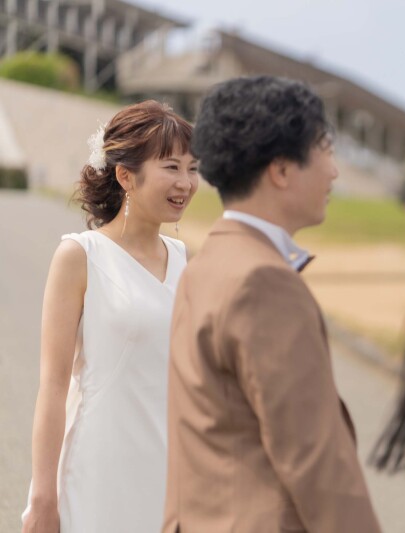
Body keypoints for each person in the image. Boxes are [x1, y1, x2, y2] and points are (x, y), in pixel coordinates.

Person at [163, 76, 382, 533]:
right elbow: (314, 458)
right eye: (325, 148)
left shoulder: (206, 263)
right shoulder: (263, 281)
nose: (335, 172)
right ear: (281, 170)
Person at [22, 101, 197, 532]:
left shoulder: (182, 259)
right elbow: (54, 385)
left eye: (193, 168)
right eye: (171, 167)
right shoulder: (80, 256)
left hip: (167, 477)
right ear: (125, 176)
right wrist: (42, 497)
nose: (186, 183)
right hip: (97, 474)